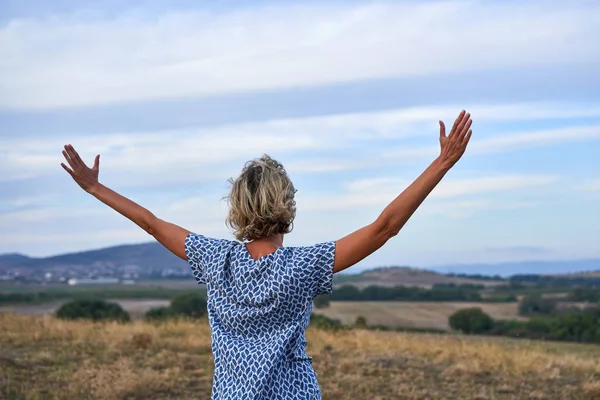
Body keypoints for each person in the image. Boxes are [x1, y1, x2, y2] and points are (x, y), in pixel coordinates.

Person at [61, 110, 473, 399]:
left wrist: (96, 189)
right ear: (289, 205)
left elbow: (151, 222)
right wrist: (442, 164)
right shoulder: (303, 267)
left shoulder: (213, 258)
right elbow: (385, 227)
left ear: (236, 208)